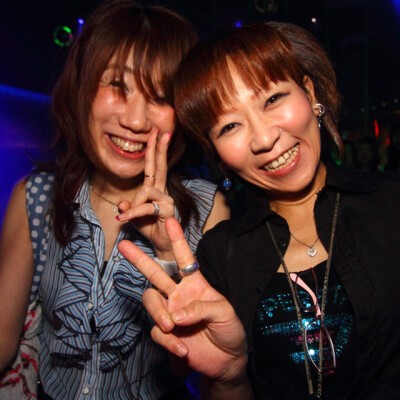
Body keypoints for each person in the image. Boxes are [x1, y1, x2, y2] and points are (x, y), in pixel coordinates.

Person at [118, 21, 400, 399]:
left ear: (310, 93)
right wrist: (229, 377)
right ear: (217, 153)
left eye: (273, 99)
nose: (265, 138)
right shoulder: (221, 255)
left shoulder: (391, 204)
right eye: (230, 126)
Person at [0, 1, 230, 399]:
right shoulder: (35, 197)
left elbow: (201, 366)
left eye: (161, 97)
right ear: (82, 88)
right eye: (118, 86)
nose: (136, 121)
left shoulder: (208, 210)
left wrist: (169, 256)